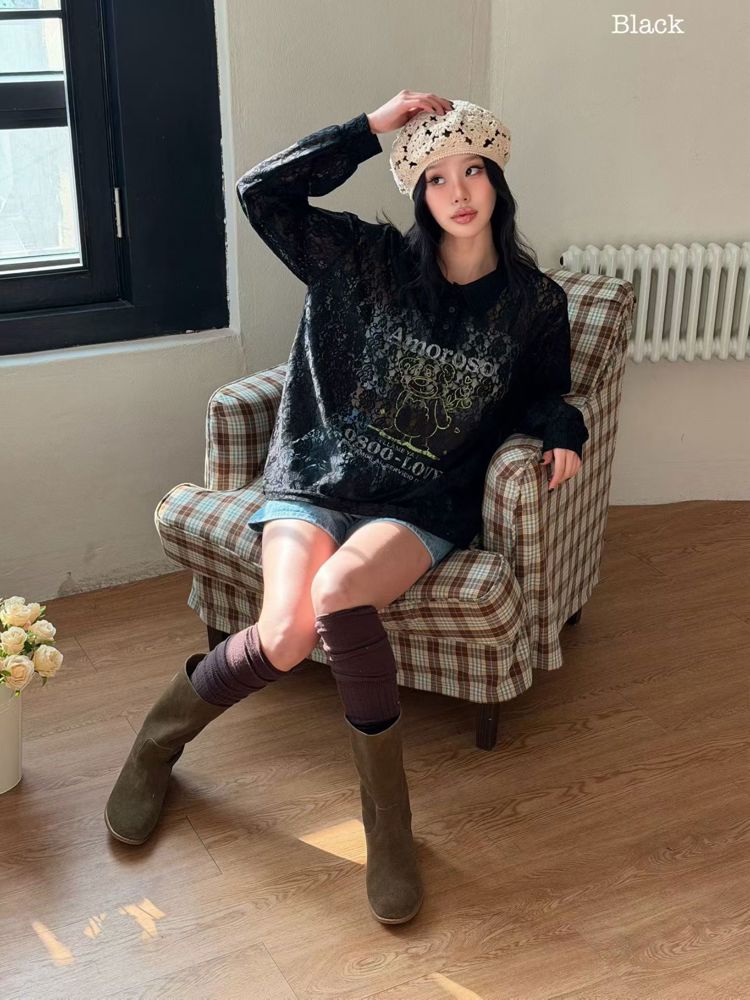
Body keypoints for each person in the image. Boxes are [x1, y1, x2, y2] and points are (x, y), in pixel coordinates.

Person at [104, 91, 589, 926]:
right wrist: (367, 129)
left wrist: (563, 431)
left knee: (337, 595)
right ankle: (157, 744)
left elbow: (545, 390)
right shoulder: (362, 258)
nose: (458, 190)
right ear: (418, 192)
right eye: (436, 176)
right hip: (318, 478)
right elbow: (261, 193)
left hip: (422, 499)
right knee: (285, 636)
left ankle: (388, 826)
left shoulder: (533, 302)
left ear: (498, 180)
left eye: (473, 169)